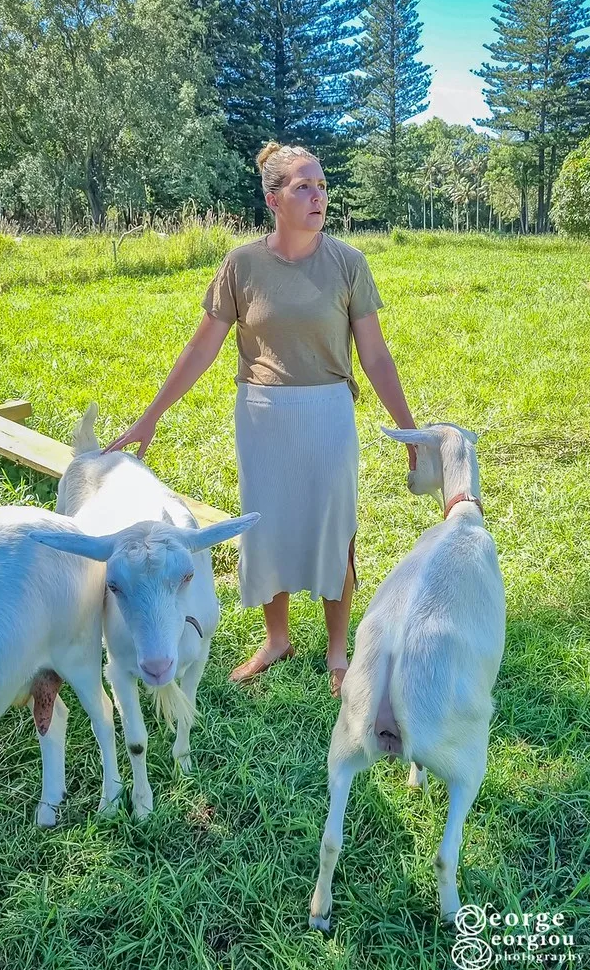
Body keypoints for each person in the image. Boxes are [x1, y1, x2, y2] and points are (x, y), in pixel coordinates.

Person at [104, 141, 417, 697]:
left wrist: (409, 427)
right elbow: (201, 348)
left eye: (321, 185)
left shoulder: (348, 262)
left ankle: (337, 650)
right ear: (273, 199)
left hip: (327, 415)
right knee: (265, 531)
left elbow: (374, 355)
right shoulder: (242, 264)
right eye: (303, 186)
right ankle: (277, 639)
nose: (318, 195)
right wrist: (150, 416)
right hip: (262, 416)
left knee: (332, 530)